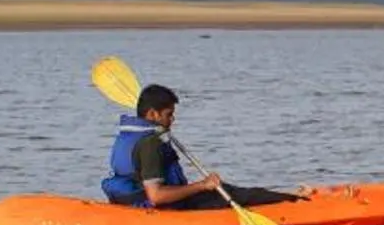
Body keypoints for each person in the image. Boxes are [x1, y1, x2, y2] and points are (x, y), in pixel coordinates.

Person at [101, 85, 309, 211]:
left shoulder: (128, 134)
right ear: (153, 114)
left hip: (128, 199)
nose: (172, 119)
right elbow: (156, 196)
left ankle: (290, 197)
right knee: (236, 194)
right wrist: (202, 185)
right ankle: (296, 202)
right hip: (156, 205)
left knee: (230, 191)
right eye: (168, 114)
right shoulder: (150, 143)